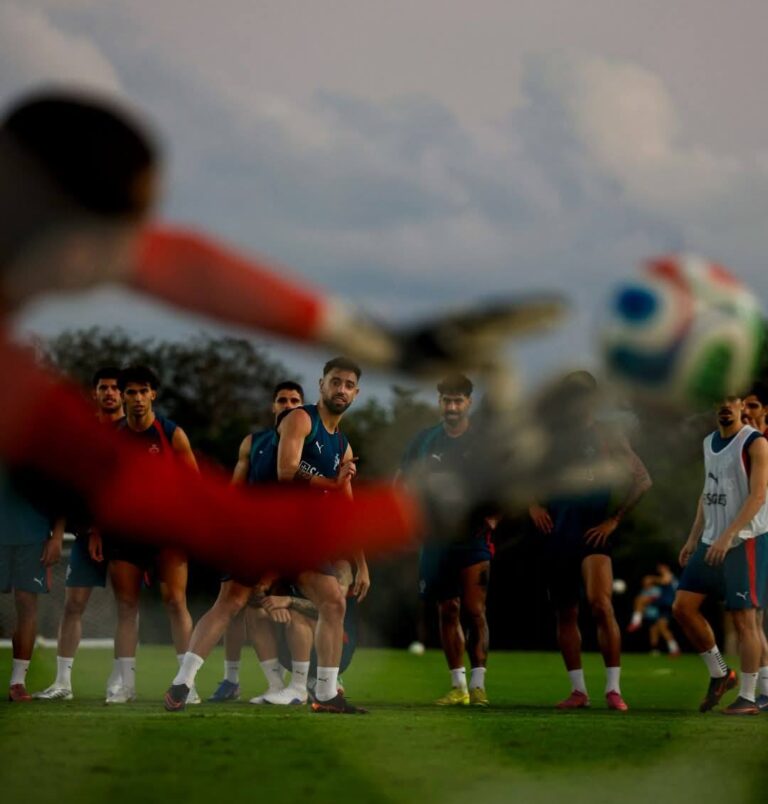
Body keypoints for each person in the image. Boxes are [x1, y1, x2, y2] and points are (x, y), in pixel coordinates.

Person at [0, 90, 421, 590]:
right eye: (132, 229)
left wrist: (382, 342)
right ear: (78, 248)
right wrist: (439, 500)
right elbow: (231, 526)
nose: (141, 249)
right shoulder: (17, 397)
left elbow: (181, 264)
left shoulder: (34, 226)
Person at [165, 358, 369, 714]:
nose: (341, 389)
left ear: (356, 393)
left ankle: (324, 693)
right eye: (335, 382)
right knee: (230, 603)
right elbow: (287, 471)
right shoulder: (301, 419)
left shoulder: (343, 446)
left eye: (349, 385)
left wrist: (361, 563)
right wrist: (331, 483)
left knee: (333, 601)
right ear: (321, 385)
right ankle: (182, 684)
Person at [528, 371, 651, 711]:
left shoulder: (607, 435)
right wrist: (533, 504)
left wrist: (615, 520)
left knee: (601, 604)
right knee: (565, 613)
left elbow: (642, 479)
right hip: (558, 534)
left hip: (593, 533)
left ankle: (614, 689)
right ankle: (578, 691)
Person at [90, 365, 199, 703]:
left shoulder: (172, 434)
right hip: (126, 532)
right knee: (126, 606)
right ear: (122, 396)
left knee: (175, 601)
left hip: (168, 531)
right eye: (131, 392)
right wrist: (96, 530)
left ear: (153, 394)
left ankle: (186, 683)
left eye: (143, 392)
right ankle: (124, 683)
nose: (137, 399)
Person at [397, 374, 497, 706]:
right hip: (435, 540)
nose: (452, 407)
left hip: (473, 539)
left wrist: (494, 517)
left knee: (474, 610)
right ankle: (459, 687)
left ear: (469, 402)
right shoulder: (424, 441)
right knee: (447, 609)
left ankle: (480, 685)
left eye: (458, 401)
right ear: (439, 402)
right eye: (446, 400)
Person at [204, 380, 306, 703]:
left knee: (310, 608)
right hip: (256, 537)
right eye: (281, 400)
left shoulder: (314, 442)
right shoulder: (253, 442)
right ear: (273, 407)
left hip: (298, 539)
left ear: (302, 407)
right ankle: (259, 682)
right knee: (243, 607)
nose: (287, 405)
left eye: (294, 400)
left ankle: (323, 678)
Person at [35, 367, 127, 701]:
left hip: (121, 537)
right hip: (84, 535)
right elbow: (68, 490)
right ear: (95, 393)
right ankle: (63, 683)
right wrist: (57, 534)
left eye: (116, 388)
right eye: (103, 387)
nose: (110, 393)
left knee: (126, 608)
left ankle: (120, 682)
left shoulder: (131, 433)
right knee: (73, 605)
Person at [673, 394, 768, 714]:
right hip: (711, 541)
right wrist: (692, 538)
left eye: (732, 400)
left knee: (746, 621)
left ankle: (750, 697)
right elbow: (707, 493)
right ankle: (719, 672)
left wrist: (729, 536)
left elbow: (757, 497)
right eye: (719, 401)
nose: (725, 406)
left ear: (742, 406)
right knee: (682, 607)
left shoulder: (754, 443)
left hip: (745, 541)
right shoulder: (708, 442)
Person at [0, 480, 64, 701]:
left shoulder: (40, 450)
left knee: (27, 605)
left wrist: (57, 537)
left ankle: (17, 682)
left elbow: (60, 493)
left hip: (33, 537)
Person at [743, 381, 768, 710]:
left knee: (753, 619)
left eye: (752, 405)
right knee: (754, 619)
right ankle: (764, 690)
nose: (745, 411)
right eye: (742, 405)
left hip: (762, 534)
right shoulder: (745, 445)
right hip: (756, 535)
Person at [626, 563, 681, 657]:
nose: (659, 569)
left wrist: (652, 578)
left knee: (640, 599)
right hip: (665, 603)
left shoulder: (669, 575)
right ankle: (674, 649)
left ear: (666, 567)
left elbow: (665, 581)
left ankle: (636, 622)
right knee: (662, 628)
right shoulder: (671, 578)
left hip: (667, 602)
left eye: (661, 567)